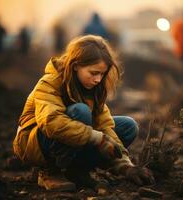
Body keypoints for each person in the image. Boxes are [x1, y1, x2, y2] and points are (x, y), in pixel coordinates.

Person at [13, 35, 154, 191]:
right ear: (75, 65)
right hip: (35, 142)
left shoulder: (93, 89)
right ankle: (50, 171)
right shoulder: (49, 82)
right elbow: (52, 123)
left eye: (102, 74)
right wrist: (97, 138)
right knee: (81, 112)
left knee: (128, 126)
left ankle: (77, 171)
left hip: (74, 137)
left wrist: (125, 165)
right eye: (94, 73)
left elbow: (106, 127)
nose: (98, 80)